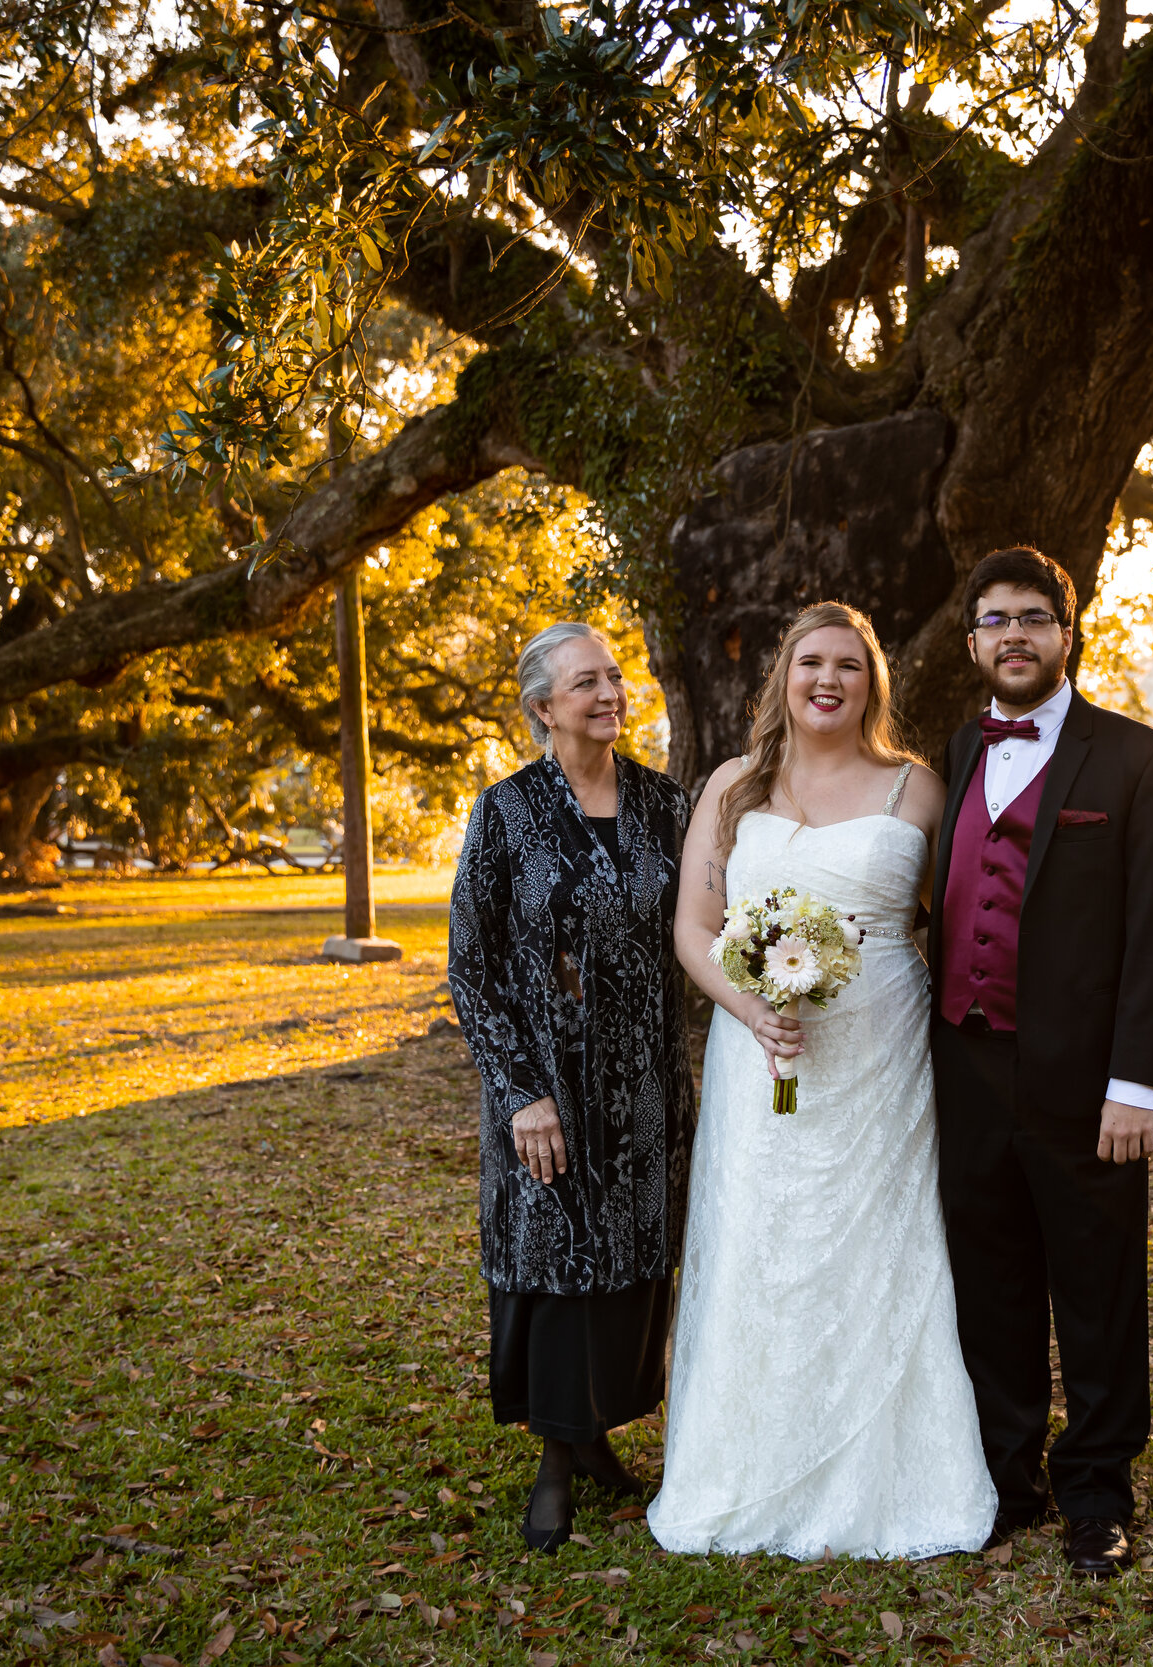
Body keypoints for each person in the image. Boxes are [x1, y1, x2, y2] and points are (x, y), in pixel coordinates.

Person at [648, 601, 997, 1560]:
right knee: (763, 1233)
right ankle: (750, 1466)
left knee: (882, 1237)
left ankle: (887, 1471)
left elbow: (945, 917)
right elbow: (693, 926)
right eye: (811, 662)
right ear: (784, 676)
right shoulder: (730, 785)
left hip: (882, 1046)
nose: (828, 679)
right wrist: (750, 1005)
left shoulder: (918, 789)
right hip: (759, 1047)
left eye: (849, 663)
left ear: (873, 682)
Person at [927, 547, 1153, 1580]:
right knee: (989, 1283)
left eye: (1032, 616)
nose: (1013, 635)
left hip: (1088, 1083)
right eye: (993, 618)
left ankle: (1097, 1489)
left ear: (1068, 630)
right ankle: (1009, 1478)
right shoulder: (955, 750)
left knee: (1097, 1286)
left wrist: (1138, 1082)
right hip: (966, 1064)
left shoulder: (1137, 760)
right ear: (972, 641)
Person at [449, 622, 694, 1554]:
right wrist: (520, 1093)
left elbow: (702, 921)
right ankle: (557, 1459)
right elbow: (472, 965)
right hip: (545, 1086)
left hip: (643, 1085)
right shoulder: (505, 812)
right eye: (585, 681)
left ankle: (594, 1433)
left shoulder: (666, 806)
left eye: (615, 676)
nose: (609, 692)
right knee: (554, 1258)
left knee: (632, 1262)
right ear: (543, 707)